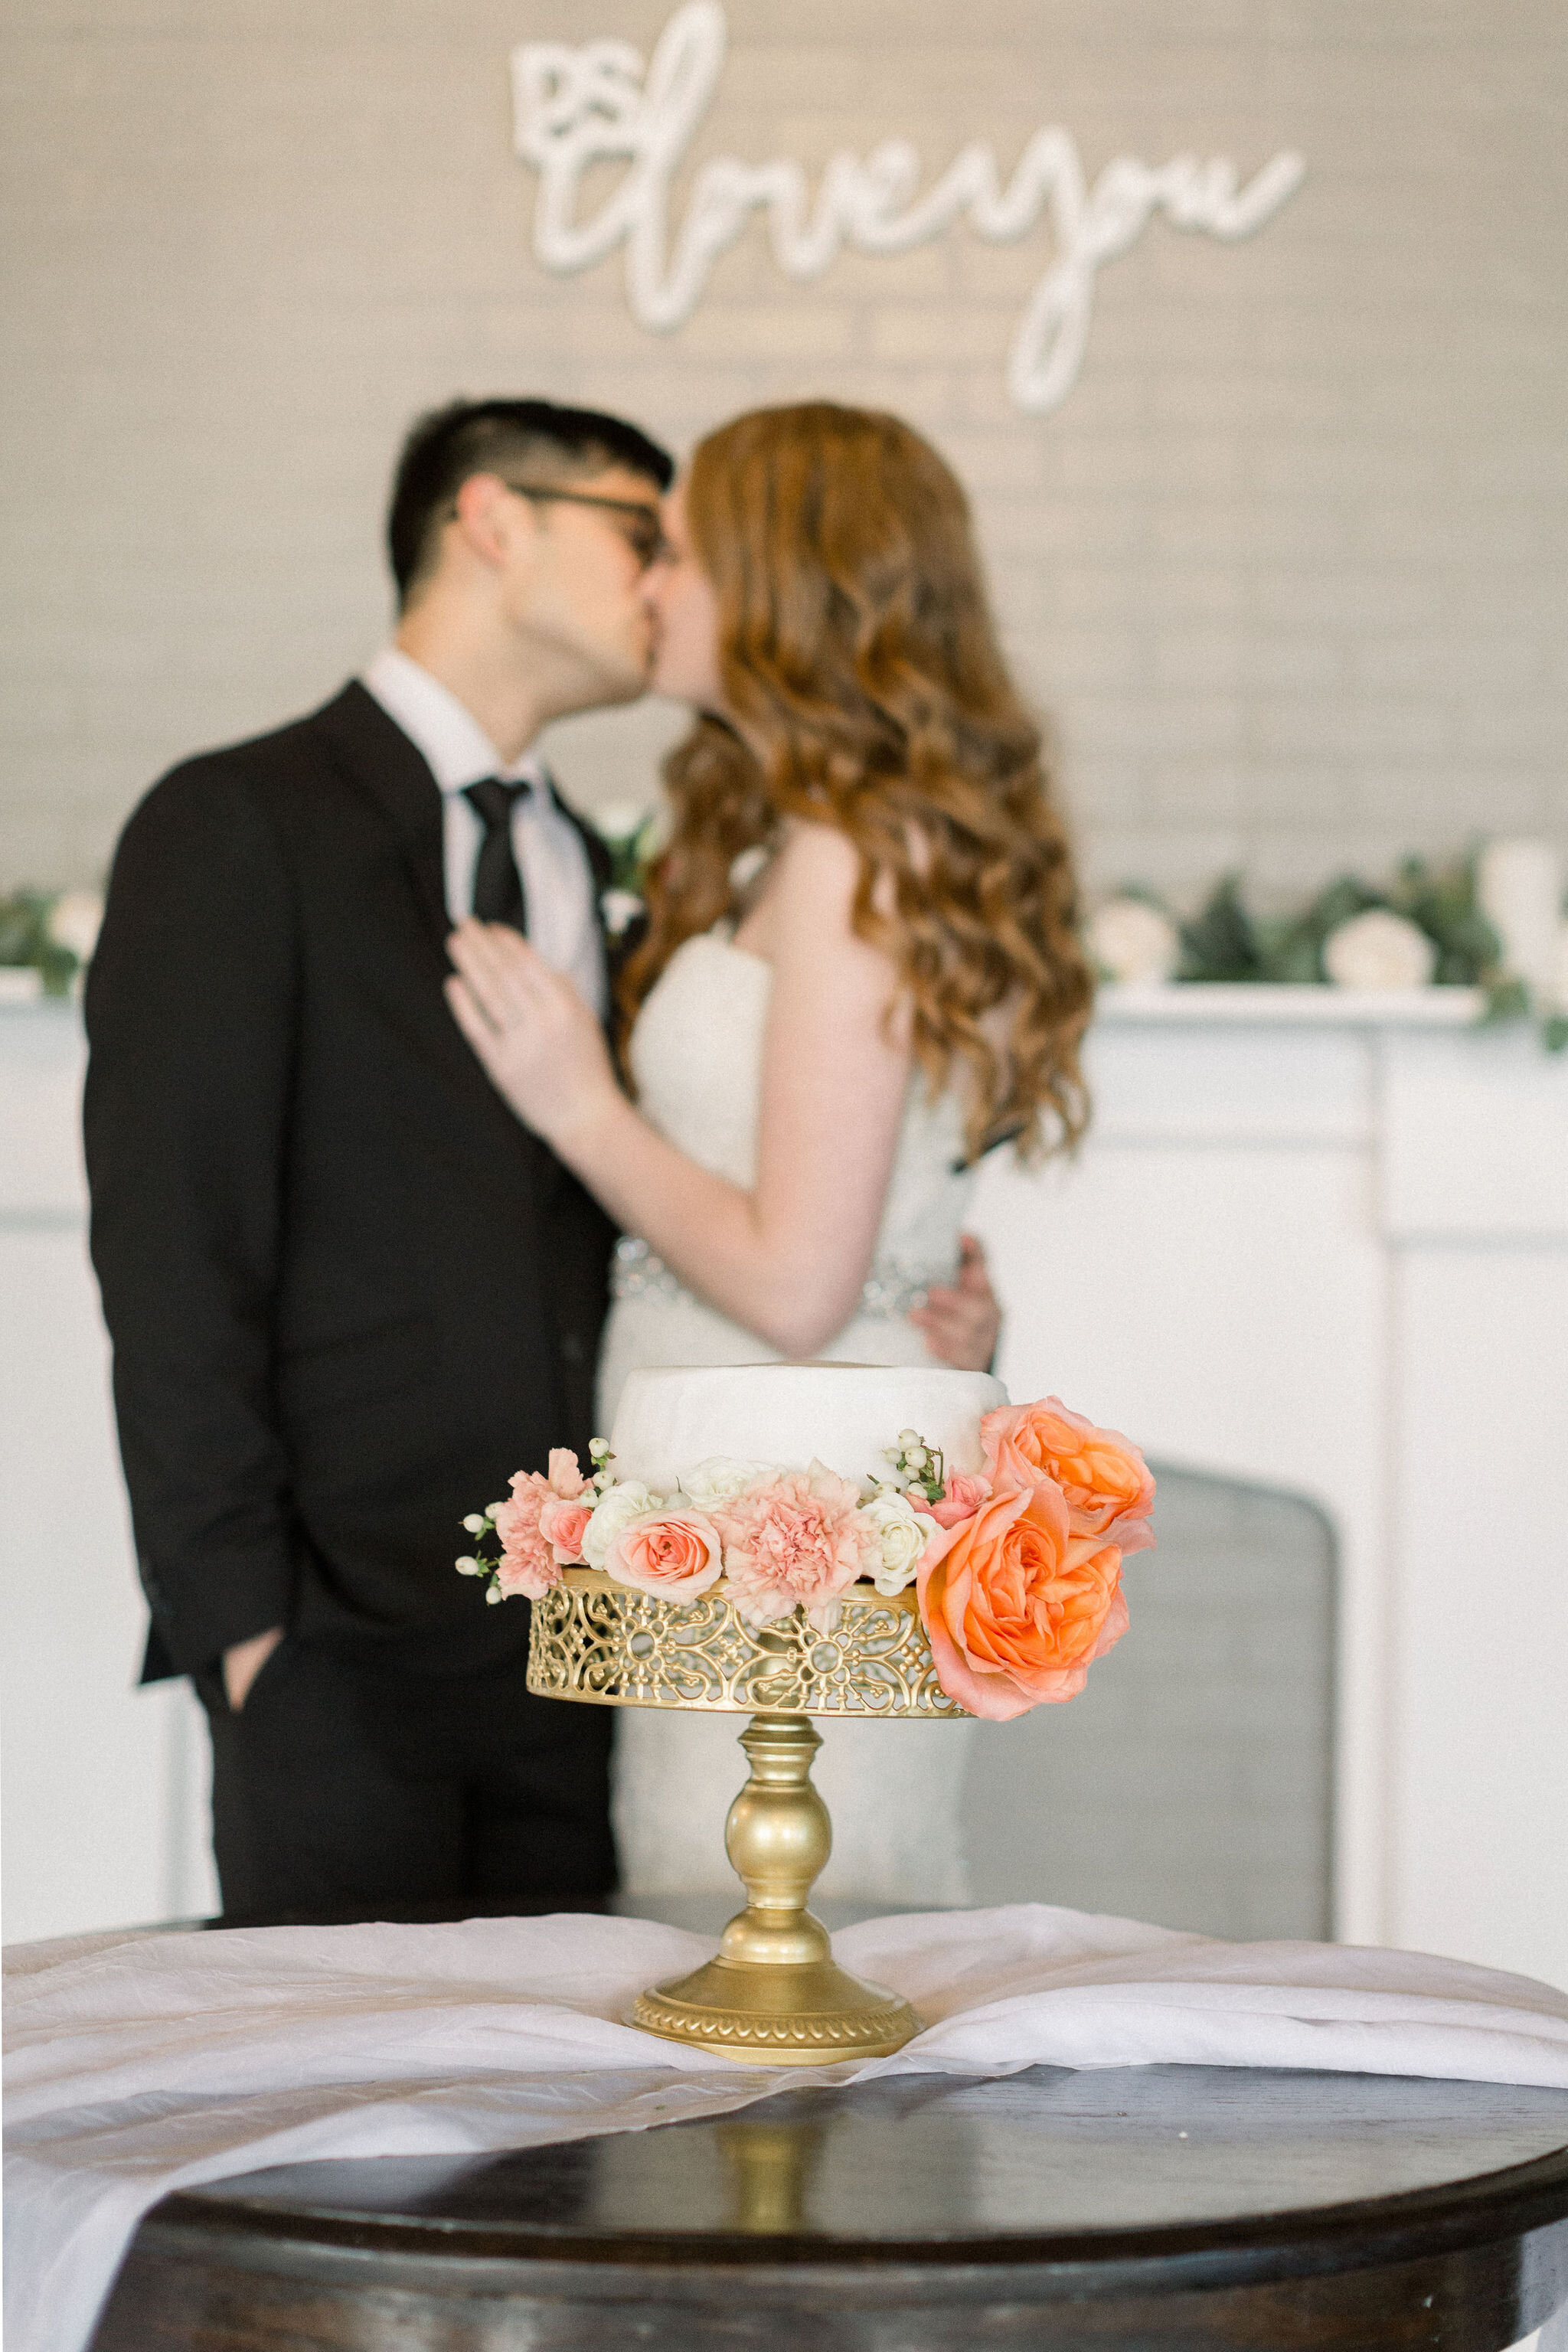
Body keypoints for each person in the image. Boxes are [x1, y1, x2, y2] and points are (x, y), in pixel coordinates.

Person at [446, 400, 1093, 1903]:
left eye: (678, 551)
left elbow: (799, 1283)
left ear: (778, 582)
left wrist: (575, 1103)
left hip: (786, 1512)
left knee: (762, 1941)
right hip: (755, 1482)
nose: (651, 584)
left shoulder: (846, 859)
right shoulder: (808, 842)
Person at [83, 397, 680, 1925]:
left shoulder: (584, 861)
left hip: (580, 1650)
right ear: (492, 520)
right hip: (332, 1656)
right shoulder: (237, 821)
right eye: (639, 532)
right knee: (336, 2151)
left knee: (574, 2148)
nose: (667, 580)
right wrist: (249, 1640)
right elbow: (173, 1253)